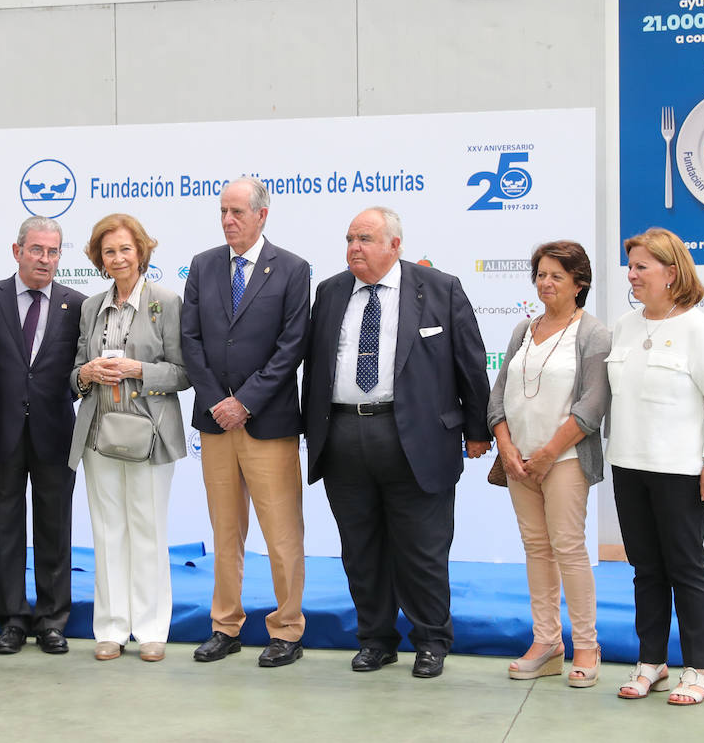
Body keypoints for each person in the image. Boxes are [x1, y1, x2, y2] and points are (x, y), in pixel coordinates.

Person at [301, 206, 491, 678]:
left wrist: (478, 429)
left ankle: (430, 641)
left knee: (422, 548)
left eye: (365, 238)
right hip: (344, 434)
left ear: (395, 244)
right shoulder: (328, 293)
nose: (354, 249)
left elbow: (470, 362)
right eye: (349, 239)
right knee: (360, 548)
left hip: (418, 439)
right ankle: (376, 639)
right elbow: (315, 366)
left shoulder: (440, 289)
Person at [180, 177, 310, 668]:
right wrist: (218, 401)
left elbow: (292, 345)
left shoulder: (293, 269)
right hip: (216, 424)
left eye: (237, 211)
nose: (228, 220)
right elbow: (190, 339)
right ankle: (225, 625)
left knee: (281, 533)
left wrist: (246, 402)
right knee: (225, 530)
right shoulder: (203, 265)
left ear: (262, 215)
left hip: (267, 423)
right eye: (223, 211)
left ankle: (287, 629)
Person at [609, 228, 704, 705]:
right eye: (632, 266)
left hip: (680, 471)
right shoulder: (625, 326)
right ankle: (651, 663)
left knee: (685, 567)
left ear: (672, 273)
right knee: (645, 569)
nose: (632, 274)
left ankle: (700, 669)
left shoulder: (700, 330)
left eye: (642, 266)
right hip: (629, 465)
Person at [486, 241, 610, 687]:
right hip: (519, 462)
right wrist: (506, 446)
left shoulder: (593, 334)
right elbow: (497, 394)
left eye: (557, 275)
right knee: (535, 548)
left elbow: (593, 405)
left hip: (565, 460)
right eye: (540, 274)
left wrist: (546, 453)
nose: (545, 283)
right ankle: (547, 643)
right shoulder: (523, 329)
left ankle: (587, 647)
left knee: (568, 548)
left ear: (580, 283)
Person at [69, 214, 188, 663]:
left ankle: (153, 628)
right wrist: (86, 372)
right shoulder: (90, 306)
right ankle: (112, 628)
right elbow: (75, 372)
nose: (117, 258)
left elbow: (184, 373)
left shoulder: (166, 302)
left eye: (125, 249)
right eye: (108, 251)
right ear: (99, 258)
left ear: (141, 251)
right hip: (99, 433)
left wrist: (139, 370)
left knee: (148, 530)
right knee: (107, 530)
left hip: (150, 435)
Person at [0, 217, 86, 656]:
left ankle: (53, 620)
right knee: (6, 529)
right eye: (36, 249)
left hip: (56, 433)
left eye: (53, 251)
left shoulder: (77, 304)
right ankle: (13, 619)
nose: (45, 259)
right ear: (16, 250)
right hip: (1, 431)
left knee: (56, 528)